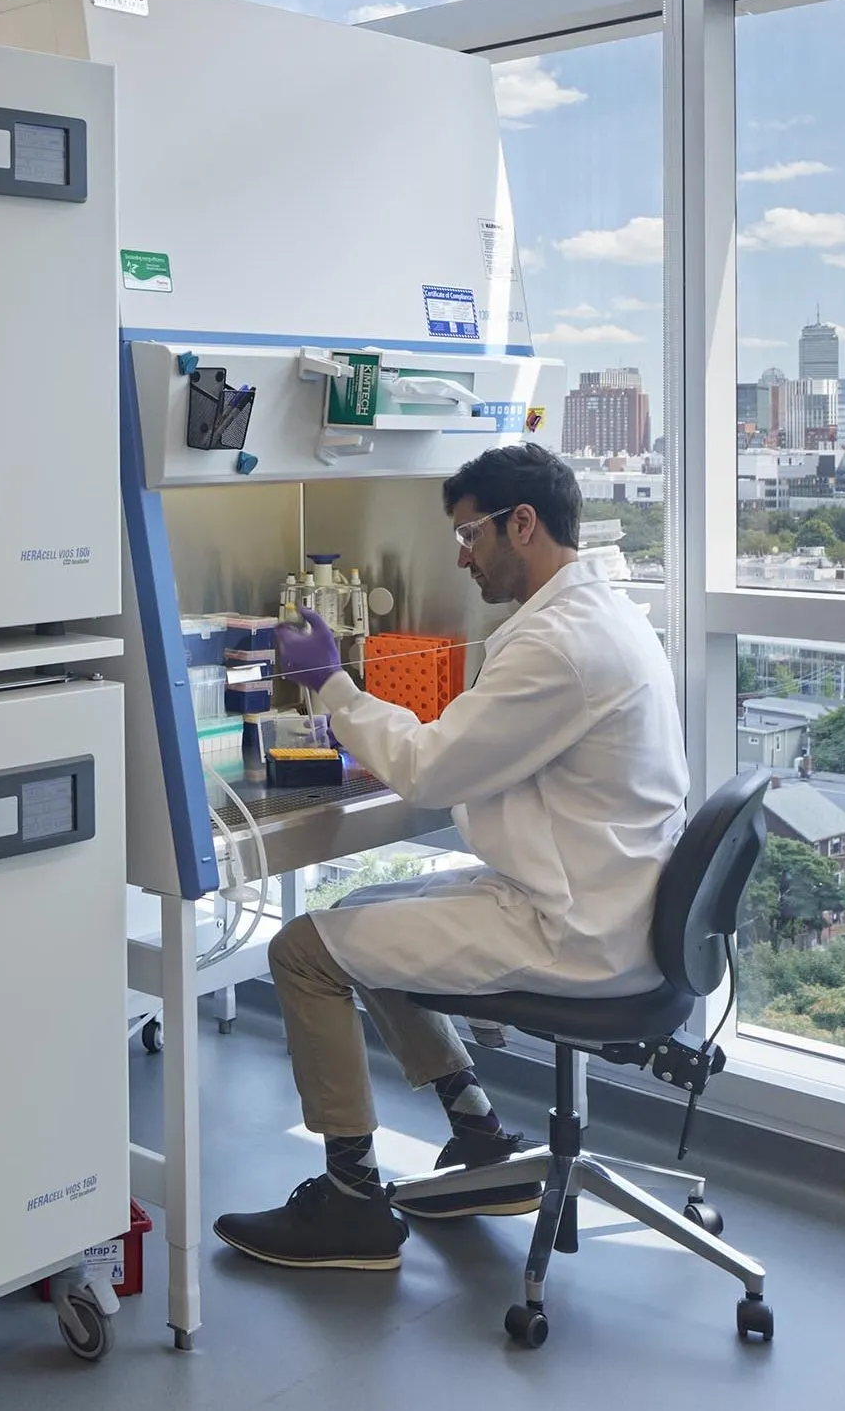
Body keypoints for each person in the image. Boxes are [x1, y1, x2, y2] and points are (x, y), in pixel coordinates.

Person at [213, 443, 688, 1272]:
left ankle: (353, 1203)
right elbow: (469, 752)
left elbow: (433, 768)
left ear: (523, 524)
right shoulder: (598, 614)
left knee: (302, 950)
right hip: (603, 893)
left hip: (574, 925)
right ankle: (479, 1134)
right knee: (366, 917)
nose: (461, 556)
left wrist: (331, 684)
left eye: (471, 535)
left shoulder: (559, 645)